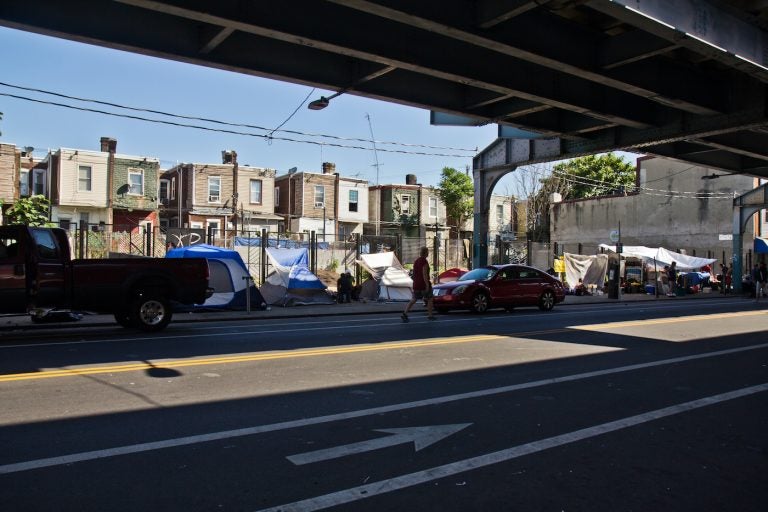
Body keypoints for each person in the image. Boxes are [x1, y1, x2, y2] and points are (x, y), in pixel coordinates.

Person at [402, 246, 435, 322]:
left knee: (414, 299)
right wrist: (427, 285)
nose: (428, 253)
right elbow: (424, 274)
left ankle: (405, 313)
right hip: (423, 284)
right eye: (428, 252)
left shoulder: (416, 261)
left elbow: (415, 273)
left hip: (416, 284)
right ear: (426, 253)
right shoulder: (424, 262)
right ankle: (430, 315)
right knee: (430, 298)